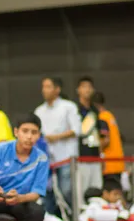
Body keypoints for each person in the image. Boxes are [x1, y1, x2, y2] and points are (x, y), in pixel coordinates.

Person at [35, 77, 81, 210]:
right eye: (43, 87)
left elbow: (77, 130)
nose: (44, 90)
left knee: (66, 191)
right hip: (46, 157)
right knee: (47, 194)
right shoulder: (39, 111)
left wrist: (56, 137)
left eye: (48, 86)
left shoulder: (68, 107)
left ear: (57, 89)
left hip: (66, 156)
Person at [76, 77, 108, 206]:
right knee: (81, 192)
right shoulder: (74, 109)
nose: (87, 90)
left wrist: (101, 157)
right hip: (80, 157)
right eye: (83, 86)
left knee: (96, 190)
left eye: (89, 87)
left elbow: (100, 136)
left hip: (95, 157)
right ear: (78, 90)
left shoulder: (95, 111)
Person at [92, 91, 124, 183]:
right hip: (118, 162)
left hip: (108, 164)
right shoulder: (110, 115)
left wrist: (95, 151)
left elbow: (106, 140)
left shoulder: (101, 117)